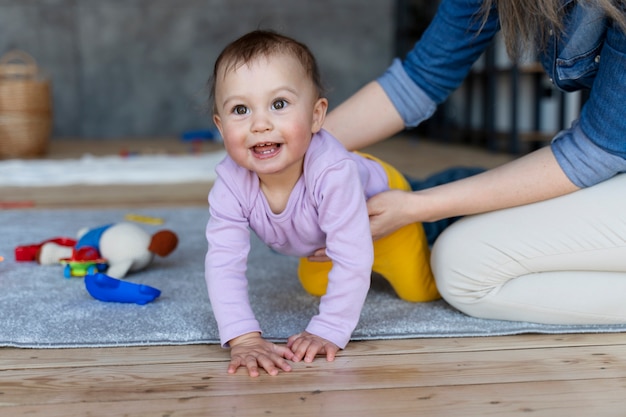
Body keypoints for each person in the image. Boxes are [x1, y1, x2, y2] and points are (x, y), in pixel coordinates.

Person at [315, 0, 626, 326]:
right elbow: (420, 78)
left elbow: (593, 152)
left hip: (606, 155)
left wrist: (414, 207)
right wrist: (298, 153)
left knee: (461, 265)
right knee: (451, 193)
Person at [205, 30, 439, 377]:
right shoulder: (230, 184)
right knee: (316, 285)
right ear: (221, 129)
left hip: (387, 210)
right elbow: (223, 262)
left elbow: (352, 255)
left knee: (419, 290)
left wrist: (328, 329)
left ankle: (440, 222)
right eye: (240, 109)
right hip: (324, 239)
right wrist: (243, 337)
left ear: (317, 116)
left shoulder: (333, 173)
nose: (260, 124)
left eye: (279, 104)